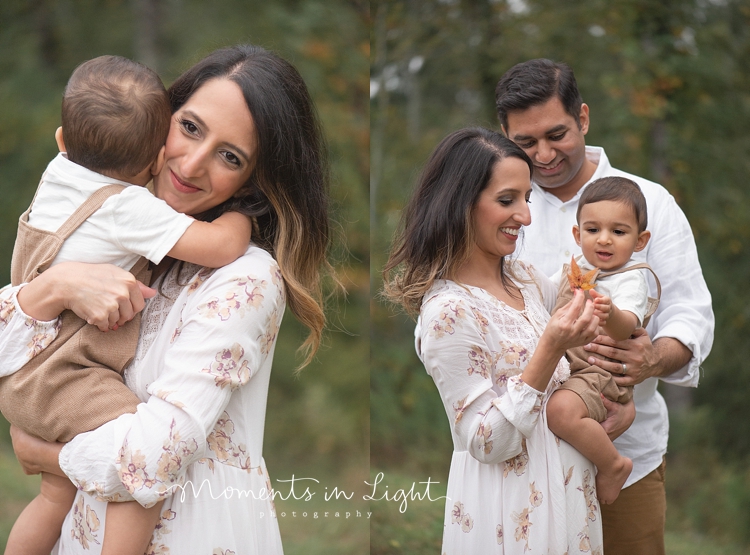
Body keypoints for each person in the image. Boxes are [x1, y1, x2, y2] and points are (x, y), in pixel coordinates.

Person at [0, 44, 331, 554]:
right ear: (161, 118)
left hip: (192, 532)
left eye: (230, 156)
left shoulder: (246, 276)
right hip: (86, 528)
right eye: (191, 127)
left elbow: (154, 457)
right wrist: (56, 286)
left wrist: (51, 456)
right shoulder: (121, 241)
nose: (193, 164)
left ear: (255, 178)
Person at [495, 58, 713, 554]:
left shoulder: (651, 203)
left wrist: (653, 357)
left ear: (584, 119)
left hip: (626, 452)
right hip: (526, 457)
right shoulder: (498, 210)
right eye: (526, 144)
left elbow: (689, 312)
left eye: (557, 135)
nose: (544, 155)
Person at [384, 127, 606, 554]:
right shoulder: (449, 312)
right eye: (507, 200)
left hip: (571, 498)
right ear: (460, 203)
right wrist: (550, 349)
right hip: (510, 510)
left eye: (527, 198)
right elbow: (486, 441)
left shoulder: (525, 279)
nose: (524, 216)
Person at [546, 177, 657, 505]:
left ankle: (612, 465)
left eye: (619, 232)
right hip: (569, 364)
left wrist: (610, 314)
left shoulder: (631, 279)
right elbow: (546, 293)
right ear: (578, 235)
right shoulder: (577, 268)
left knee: (561, 412)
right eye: (593, 230)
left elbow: (626, 329)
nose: (604, 240)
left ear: (640, 240)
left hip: (600, 370)